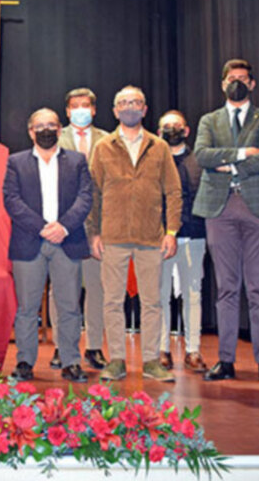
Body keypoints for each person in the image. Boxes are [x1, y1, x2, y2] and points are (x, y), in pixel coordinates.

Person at [193, 58, 259, 385]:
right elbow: (202, 156)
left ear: (253, 83)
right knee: (226, 287)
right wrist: (246, 155)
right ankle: (226, 361)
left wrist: (228, 165)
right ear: (222, 84)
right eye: (232, 78)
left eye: (243, 78)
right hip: (219, 209)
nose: (237, 83)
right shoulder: (209, 120)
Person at [89, 86, 182, 383]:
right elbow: (93, 193)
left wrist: (171, 231)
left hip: (150, 237)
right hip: (112, 236)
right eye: (124, 103)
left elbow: (173, 191)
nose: (130, 107)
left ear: (144, 109)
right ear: (115, 111)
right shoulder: (103, 147)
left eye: (136, 103)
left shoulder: (159, 147)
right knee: (112, 301)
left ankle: (152, 361)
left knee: (152, 301)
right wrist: (93, 233)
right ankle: (116, 360)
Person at [3, 108, 92, 383]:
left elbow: (85, 198)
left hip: (68, 240)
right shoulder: (15, 162)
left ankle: (70, 362)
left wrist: (63, 226)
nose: (45, 130)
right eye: (39, 126)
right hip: (30, 242)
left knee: (69, 307)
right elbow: (11, 200)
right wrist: (42, 227)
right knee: (27, 308)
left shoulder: (77, 161)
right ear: (30, 131)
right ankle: (25, 362)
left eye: (51, 125)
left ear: (59, 129)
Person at [50, 87, 109, 371]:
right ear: (68, 111)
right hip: (63, 225)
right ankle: (63, 347)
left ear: (94, 110)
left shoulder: (108, 140)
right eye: (75, 106)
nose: (81, 109)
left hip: (98, 225)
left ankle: (95, 347)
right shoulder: (54, 140)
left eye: (86, 105)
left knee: (97, 288)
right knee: (62, 290)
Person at [156, 110, 208, 373]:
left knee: (193, 294)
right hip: (159, 239)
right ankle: (162, 350)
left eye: (176, 126)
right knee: (160, 295)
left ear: (187, 131)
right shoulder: (153, 160)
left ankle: (193, 351)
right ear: (158, 133)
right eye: (166, 127)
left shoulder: (200, 160)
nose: (171, 130)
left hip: (194, 234)